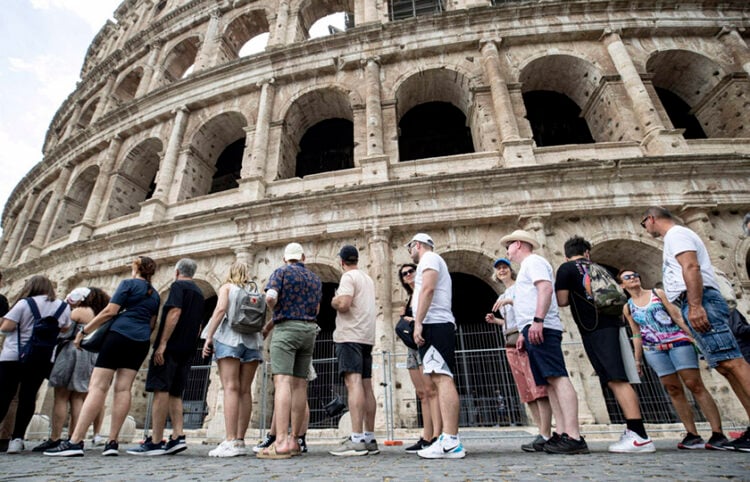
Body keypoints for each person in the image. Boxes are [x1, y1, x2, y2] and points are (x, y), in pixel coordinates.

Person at [642, 206, 750, 452]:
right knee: (726, 366)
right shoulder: (674, 237)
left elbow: (691, 267)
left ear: (651, 219)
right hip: (695, 301)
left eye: (644, 223)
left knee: (733, 362)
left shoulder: (677, 235)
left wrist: (695, 305)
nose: (646, 229)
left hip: (701, 301)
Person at [45, 256, 160, 457]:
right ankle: (112, 442)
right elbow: (152, 323)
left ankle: (75, 441)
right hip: (140, 341)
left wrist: (84, 331)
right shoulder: (155, 294)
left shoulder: (128, 284)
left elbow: (109, 311)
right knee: (124, 388)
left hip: (119, 336)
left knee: (97, 386)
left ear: (137, 268)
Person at [554, 236, 654, 453]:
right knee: (617, 377)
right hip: (614, 324)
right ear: (587, 252)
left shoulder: (566, 269)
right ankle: (635, 431)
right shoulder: (600, 268)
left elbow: (561, 300)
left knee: (615, 378)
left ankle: (639, 435)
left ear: (566, 254)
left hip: (594, 327)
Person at [500, 229, 589, 455]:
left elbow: (545, 288)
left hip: (542, 327)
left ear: (518, 244)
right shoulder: (526, 269)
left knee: (557, 377)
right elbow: (526, 301)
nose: (507, 252)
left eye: (508, 247)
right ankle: (561, 432)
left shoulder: (534, 262)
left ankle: (574, 435)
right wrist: (523, 331)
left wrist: (538, 320)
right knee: (549, 382)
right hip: (532, 328)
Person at [618, 268, 729, 450]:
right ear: (622, 285)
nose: (633, 278)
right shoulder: (628, 306)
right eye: (628, 277)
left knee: (694, 384)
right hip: (653, 349)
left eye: (635, 275)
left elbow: (676, 316)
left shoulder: (657, 293)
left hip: (678, 342)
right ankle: (692, 434)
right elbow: (636, 334)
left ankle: (717, 433)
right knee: (673, 389)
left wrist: (693, 336)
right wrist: (637, 360)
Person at [129, 259, 205, 456]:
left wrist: (162, 343)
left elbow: (174, 312)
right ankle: (177, 436)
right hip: (187, 348)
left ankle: (155, 441)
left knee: (160, 389)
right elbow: (198, 326)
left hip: (171, 346)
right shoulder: (198, 292)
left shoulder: (178, 286)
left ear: (177, 271)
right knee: (176, 392)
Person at [257, 243, 321, 459]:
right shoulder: (314, 278)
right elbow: (317, 308)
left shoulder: (281, 272)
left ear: (285, 259)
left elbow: (270, 297)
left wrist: (276, 309)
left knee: (282, 382)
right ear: (303, 257)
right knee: (300, 384)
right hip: (309, 329)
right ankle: (295, 439)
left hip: (287, 328)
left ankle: (281, 440)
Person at [484, 257, 552, 452]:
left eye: (505, 267)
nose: (502, 270)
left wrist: (511, 303)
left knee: (537, 386)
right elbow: (508, 321)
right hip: (509, 340)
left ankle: (547, 432)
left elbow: (528, 308)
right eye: (498, 269)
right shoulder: (502, 294)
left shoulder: (520, 287)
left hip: (522, 336)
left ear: (511, 270)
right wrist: (495, 321)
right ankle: (540, 432)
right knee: (526, 391)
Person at [407, 233, 465, 459]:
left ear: (418, 245)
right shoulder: (431, 260)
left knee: (442, 377)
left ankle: (451, 440)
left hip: (435, 324)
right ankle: (448, 438)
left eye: (410, 247)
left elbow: (428, 289)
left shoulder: (429, 259)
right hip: (436, 323)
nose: (409, 251)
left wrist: (418, 322)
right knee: (439, 378)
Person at [0, 275, 72, 454]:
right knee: (28, 397)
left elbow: (6, 327)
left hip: (14, 356)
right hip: (41, 358)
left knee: (4, 396)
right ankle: (17, 439)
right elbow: (65, 328)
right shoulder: (62, 306)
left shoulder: (24, 303)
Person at [33, 288, 110, 453]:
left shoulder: (79, 312)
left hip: (72, 352)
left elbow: (63, 332)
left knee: (61, 396)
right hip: (90, 356)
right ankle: (75, 438)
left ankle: (54, 438)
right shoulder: (99, 313)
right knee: (78, 398)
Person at [201, 261, 264, 457]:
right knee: (245, 391)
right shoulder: (254, 291)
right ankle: (239, 440)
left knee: (230, 387)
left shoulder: (227, 287)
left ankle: (228, 439)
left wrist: (209, 336)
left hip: (229, 339)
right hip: (252, 342)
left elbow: (220, 311)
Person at [329, 245, 378, 456]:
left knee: (353, 383)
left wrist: (334, 300)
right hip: (366, 336)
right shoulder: (367, 279)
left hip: (350, 335)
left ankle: (356, 438)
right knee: (367, 385)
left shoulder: (348, 278)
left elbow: (344, 304)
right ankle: (369, 437)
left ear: (341, 261)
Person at [398, 262, 441, 453]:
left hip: (424, 343)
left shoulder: (425, 290)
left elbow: (432, 314)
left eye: (410, 271)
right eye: (404, 274)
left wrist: (412, 320)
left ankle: (437, 436)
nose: (408, 275)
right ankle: (426, 435)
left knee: (432, 391)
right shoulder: (410, 297)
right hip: (411, 348)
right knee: (422, 394)